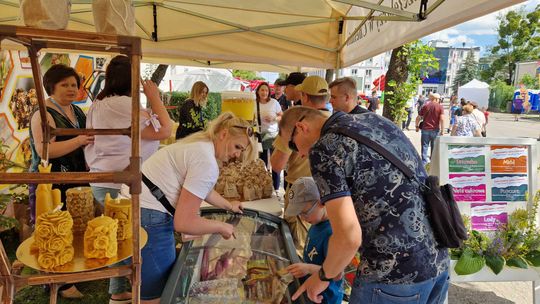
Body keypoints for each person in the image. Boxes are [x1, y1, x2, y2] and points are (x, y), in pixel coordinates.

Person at [278, 107, 449, 304]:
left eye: (292, 145)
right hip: (438, 261)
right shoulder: (374, 119)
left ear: (301, 127)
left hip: (391, 276)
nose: (299, 154)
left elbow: (348, 237)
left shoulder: (324, 148)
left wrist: (322, 277)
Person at [121, 112, 257, 303]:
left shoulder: (199, 145)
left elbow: (204, 189)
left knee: (143, 287)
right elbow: (184, 223)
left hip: (131, 209)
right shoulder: (206, 161)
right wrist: (221, 227)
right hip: (148, 219)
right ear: (224, 134)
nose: (237, 155)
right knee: (156, 296)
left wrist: (228, 205)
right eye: (237, 147)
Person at [84, 55, 172, 303]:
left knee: (116, 236)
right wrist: (154, 98)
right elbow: (165, 130)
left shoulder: (99, 103)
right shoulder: (124, 104)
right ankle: (135, 292)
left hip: (102, 177)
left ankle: (117, 292)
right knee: (126, 239)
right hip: (120, 181)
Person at [29, 64, 93, 299]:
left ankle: (72, 272)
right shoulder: (43, 113)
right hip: (50, 181)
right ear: (51, 86)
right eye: (64, 84)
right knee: (52, 231)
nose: (71, 89)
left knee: (75, 227)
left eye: (74, 84)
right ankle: (57, 283)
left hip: (76, 179)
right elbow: (44, 149)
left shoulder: (76, 112)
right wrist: (79, 141)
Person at [270, 75, 330, 255]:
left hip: (301, 197)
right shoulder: (332, 122)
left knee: (298, 249)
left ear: (304, 96)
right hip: (324, 198)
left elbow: (276, 164)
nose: (303, 153)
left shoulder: (294, 123)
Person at [285, 177, 343, 304]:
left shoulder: (332, 233)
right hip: (310, 289)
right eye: (299, 214)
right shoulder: (315, 223)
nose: (302, 218)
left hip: (325, 298)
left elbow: (337, 274)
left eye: (305, 212)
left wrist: (308, 268)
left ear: (321, 201)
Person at [256, 82, 282, 192]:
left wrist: (274, 119)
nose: (264, 92)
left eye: (266, 90)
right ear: (258, 91)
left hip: (273, 135)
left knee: (275, 162)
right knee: (262, 163)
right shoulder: (254, 103)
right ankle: (263, 186)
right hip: (259, 135)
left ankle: (276, 187)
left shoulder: (274, 102)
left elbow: (282, 116)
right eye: (262, 90)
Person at [415, 92, 445, 166]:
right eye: (439, 99)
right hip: (435, 130)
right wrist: (443, 130)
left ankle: (424, 163)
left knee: (424, 146)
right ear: (436, 99)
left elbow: (418, 117)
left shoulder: (425, 106)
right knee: (434, 147)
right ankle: (433, 162)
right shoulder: (440, 107)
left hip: (425, 129)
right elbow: (442, 119)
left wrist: (417, 126)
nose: (439, 100)